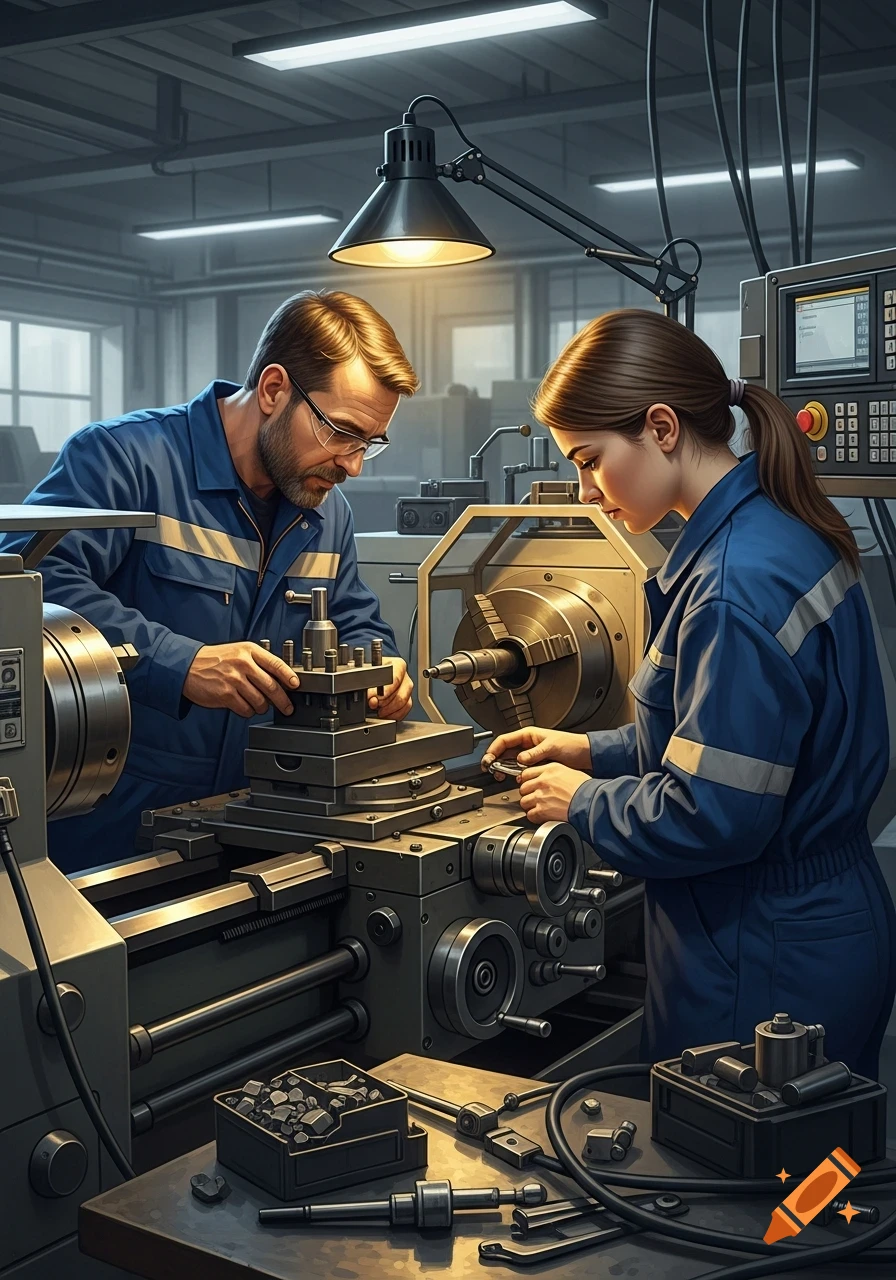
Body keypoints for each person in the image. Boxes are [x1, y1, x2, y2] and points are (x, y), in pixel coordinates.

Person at [482, 308, 896, 1079]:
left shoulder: (732, 588)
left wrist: (580, 801)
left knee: (732, 1191)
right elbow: (729, 748)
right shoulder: (774, 531)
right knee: (803, 1191)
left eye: (590, 459)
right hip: (809, 930)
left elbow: (718, 816)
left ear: (663, 428)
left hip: (762, 952)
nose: (585, 491)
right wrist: (591, 751)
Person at [2, 290, 418, 874]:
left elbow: (352, 615)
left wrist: (385, 669)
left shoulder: (326, 512)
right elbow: (31, 582)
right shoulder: (126, 459)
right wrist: (181, 663)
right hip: (112, 827)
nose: (351, 465)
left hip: (260, 825)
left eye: (368, 443)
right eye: (340, 432)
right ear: (274, 389)